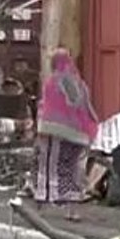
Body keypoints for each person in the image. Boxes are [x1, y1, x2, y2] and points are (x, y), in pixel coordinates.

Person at [34, 49, 100, 204]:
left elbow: (69, 102)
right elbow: (84, 105)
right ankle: (65, 194)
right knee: (67, 164)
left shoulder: (54, 80)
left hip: (53, 127)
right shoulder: (76, 81)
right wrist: (93, 124)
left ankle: (47, 193)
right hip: (73, 130)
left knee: (50, 162)